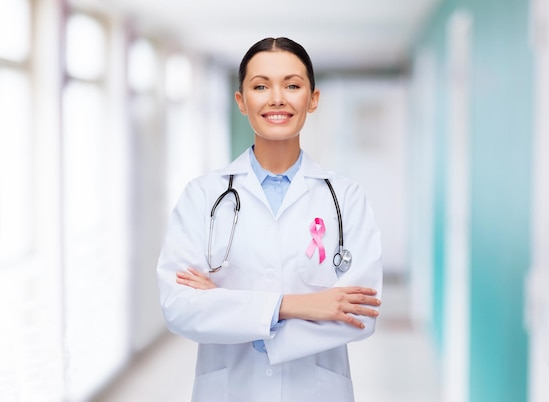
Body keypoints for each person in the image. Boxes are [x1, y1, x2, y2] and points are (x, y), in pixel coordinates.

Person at [157, 37, 383, 402]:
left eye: (292, 85)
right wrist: (294, 305)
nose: (277, 98)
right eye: (260, 86)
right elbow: (180, 307)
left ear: (313, 99)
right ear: (241, 101)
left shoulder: (346, 198)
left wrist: (228, 306)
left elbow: (361, 314)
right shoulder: (202, 195)